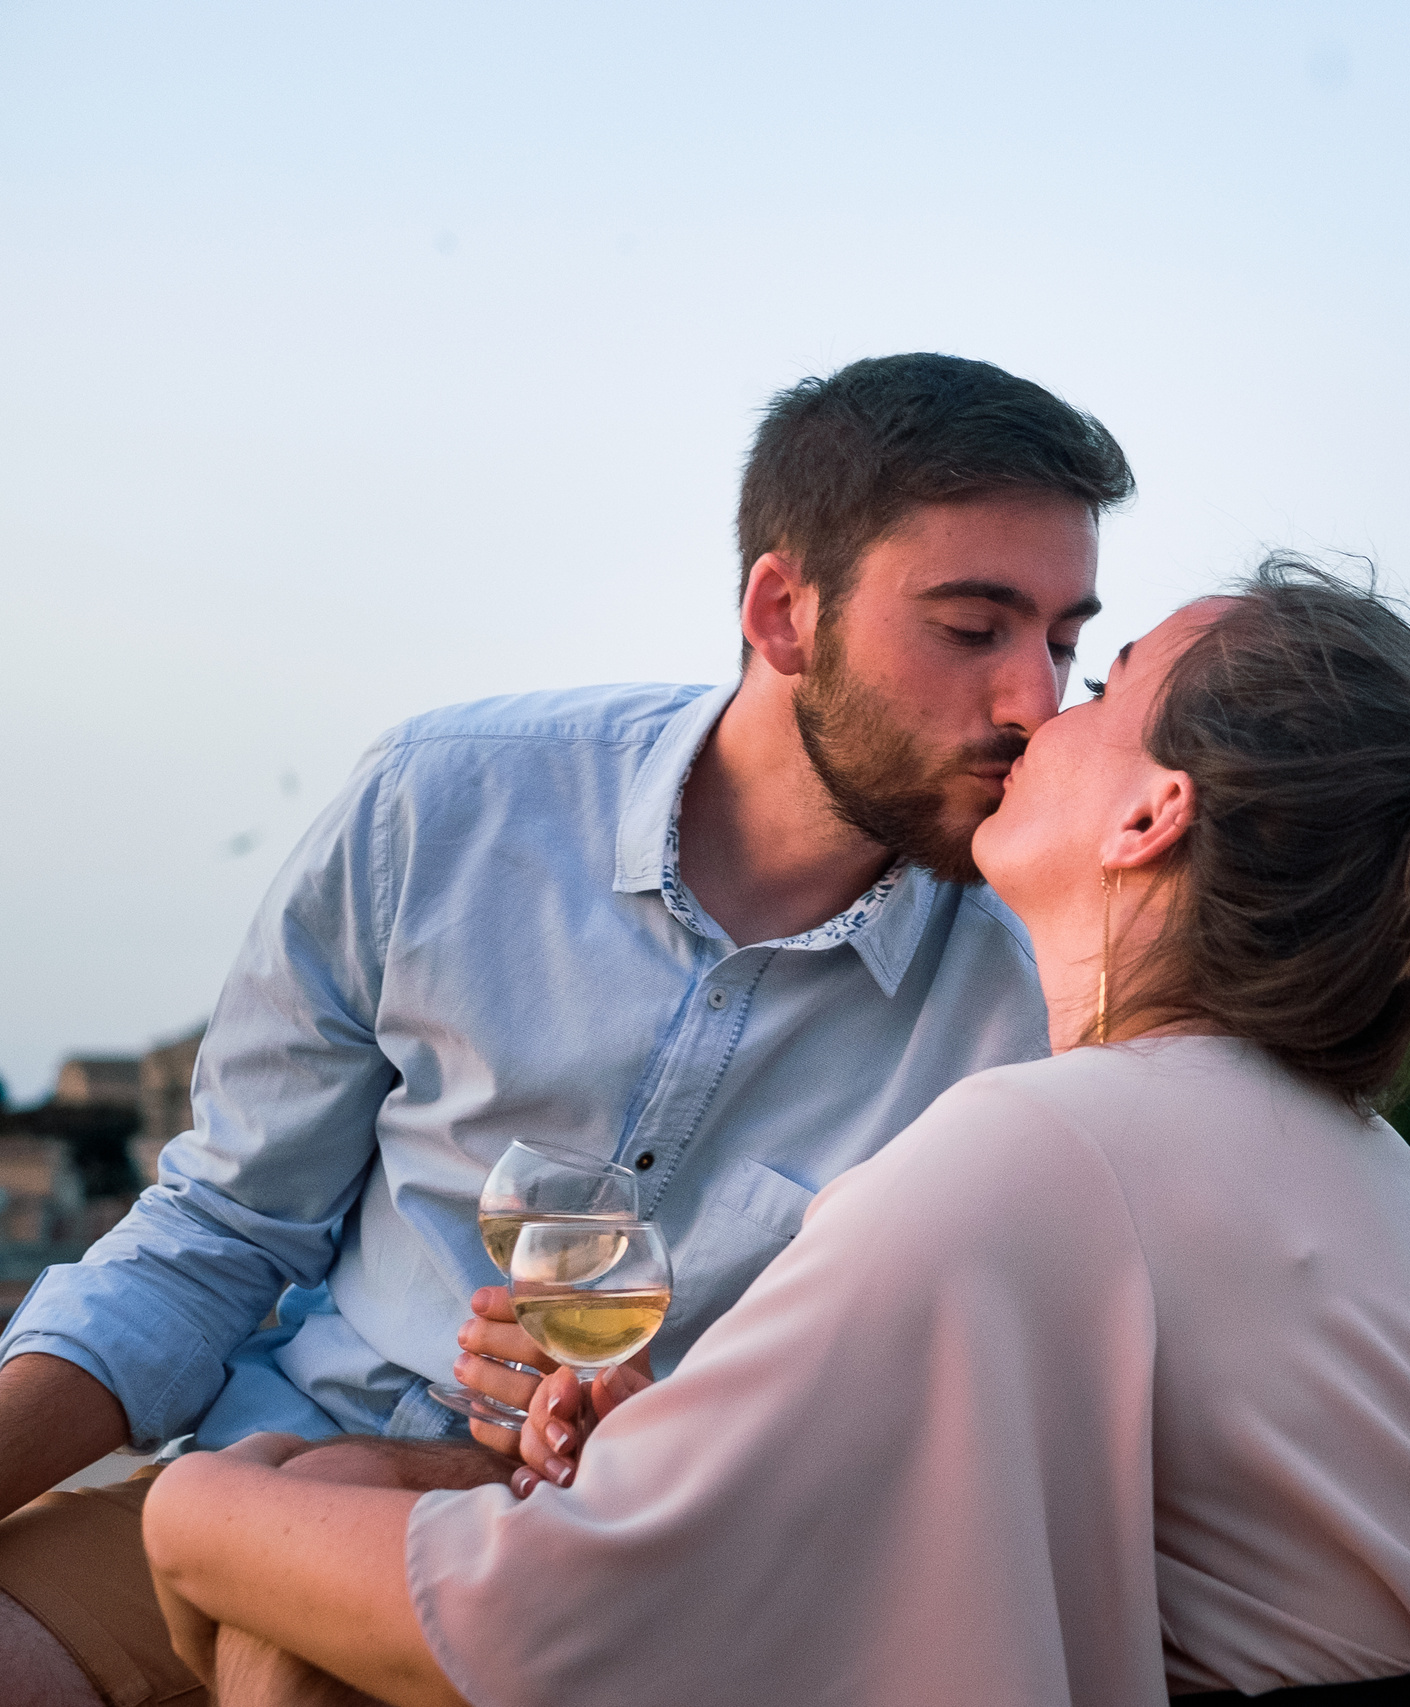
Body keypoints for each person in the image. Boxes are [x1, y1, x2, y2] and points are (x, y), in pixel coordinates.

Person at [140, 558, 1410, 1706]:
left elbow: (557, 1624)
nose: (1039, 712)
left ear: (1152, 817)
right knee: (327, 1518)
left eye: (1104, 679)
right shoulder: (1321, 1142)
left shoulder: (1042, 1151)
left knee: (285, 1538)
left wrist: (197, 1497)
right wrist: (695, 1439)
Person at [0, 353, 1133, 1707]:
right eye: (973, 628)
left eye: (1063, 642)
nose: (1035, 704)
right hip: (254, 1484)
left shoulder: (1039, 1006)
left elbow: (933, 1450)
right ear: (784, 611)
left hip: (601, 1600)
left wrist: (654, 1423)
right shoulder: (443, 809)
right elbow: (219, 1241)